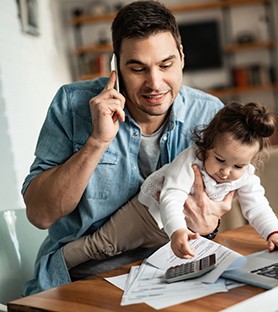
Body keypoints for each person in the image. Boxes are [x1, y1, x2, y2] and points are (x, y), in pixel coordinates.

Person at [21, 0, 233, 296]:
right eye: (137, 68)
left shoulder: (210, 114)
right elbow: (39, 214)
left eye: (166, 65)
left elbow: (217, 207)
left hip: (174, 271)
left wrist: (209, 222)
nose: (155, 83)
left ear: (182, 56)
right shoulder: (72, 105)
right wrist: (97, 141)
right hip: (84, 277)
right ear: (116, 67)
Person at [63, 101, 278, 268]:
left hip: (174, 232)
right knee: (101, 246)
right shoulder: (190, 161)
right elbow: (171, 196)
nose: (226, 172)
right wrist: (178, 230)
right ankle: (59, 262)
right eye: (220, 160)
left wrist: (273, 233)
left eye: (238, 166)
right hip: (145, 215)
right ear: (207, 145)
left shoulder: (245, 175)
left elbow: (257, 206)